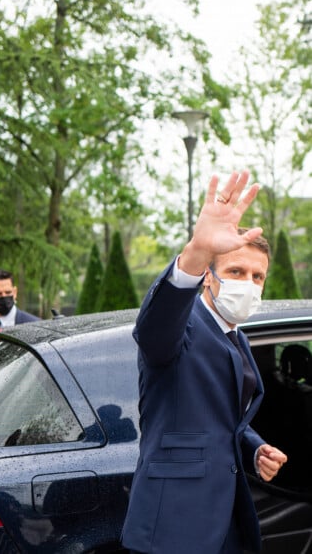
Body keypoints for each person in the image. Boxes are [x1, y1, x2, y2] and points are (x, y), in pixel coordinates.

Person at [121, 171, 287, 554]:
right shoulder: (182, 326)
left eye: (257, 276)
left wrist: (254, 449)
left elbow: (222, 421)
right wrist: (197, 250)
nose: (249, 282)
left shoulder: (237, 337)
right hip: (174, 528)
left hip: (227, 520)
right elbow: (155, 327)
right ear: (209, 277)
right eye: (235, 271)